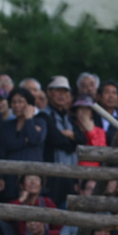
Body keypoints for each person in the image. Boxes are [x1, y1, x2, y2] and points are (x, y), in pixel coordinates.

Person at [43, 76, 82, 206]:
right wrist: (72, 140)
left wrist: (70, 134)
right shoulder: (43, 115)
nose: (61, 95)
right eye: (57, 90)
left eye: (65, 91)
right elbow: (55, 139)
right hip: (52, 175)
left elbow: (82, 138)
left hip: (70, 174)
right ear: (49, 92)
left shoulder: (69, 117)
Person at [0, 87, 46, 196]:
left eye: (21, 102)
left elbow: (35, 139)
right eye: (14, 102)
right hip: (11, 175)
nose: (17, 105)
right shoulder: (7, 125)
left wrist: (29, 118)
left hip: (32, 176)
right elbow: (5, 146)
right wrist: (25, 141)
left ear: (29, 104)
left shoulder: (40, 122)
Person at [72, 96, 108, 162]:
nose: (84, 112)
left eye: (87, 109)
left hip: (94, 170)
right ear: (76, 112)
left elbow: (102, 152)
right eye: (81, 108)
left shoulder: (100, 131)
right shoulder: (70, 126)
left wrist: (91, 132)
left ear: (92, 113)